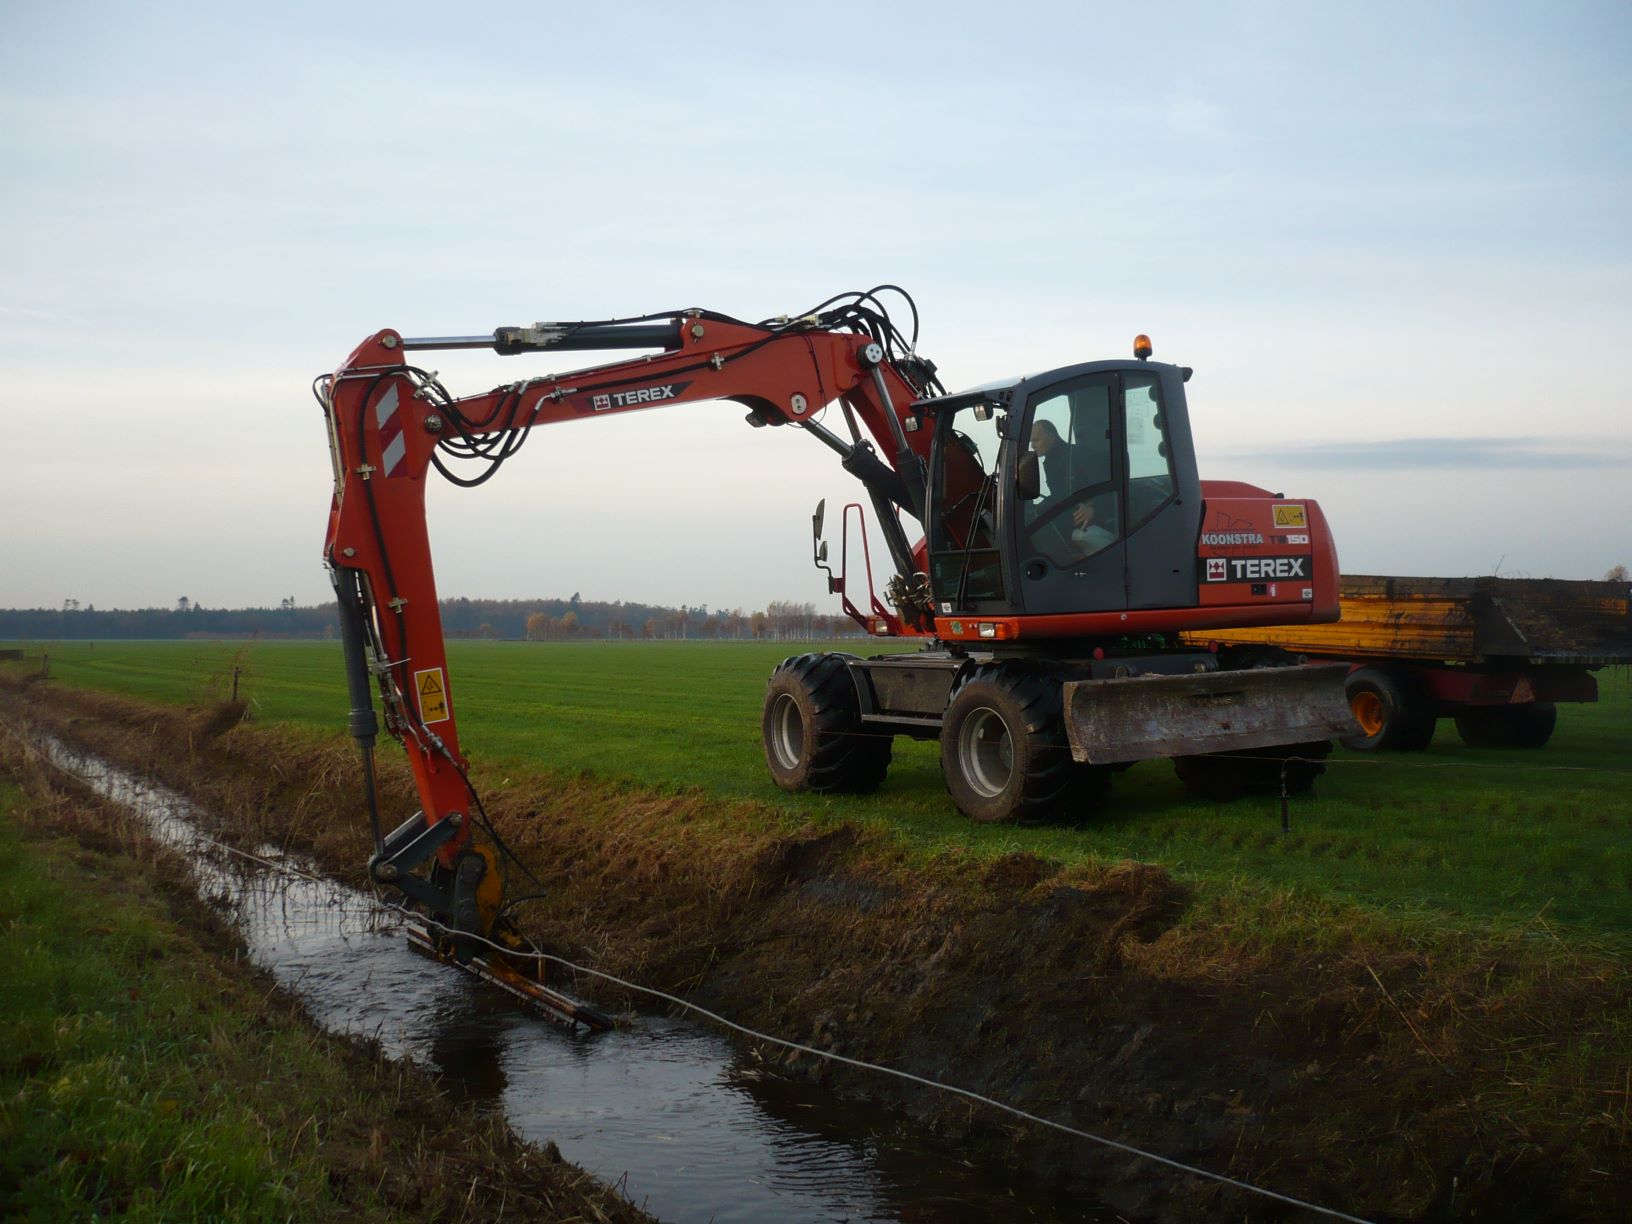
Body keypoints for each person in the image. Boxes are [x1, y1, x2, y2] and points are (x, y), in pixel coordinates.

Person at [1029, 418, 1114, 554]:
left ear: (1051, 438)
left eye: (1036, 440)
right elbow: (1059, 496)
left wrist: (1093, 508)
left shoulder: (1079, 454)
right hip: (1068, 520)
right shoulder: (1049, 463)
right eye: (1031, 441)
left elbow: (1107, 487)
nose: (1032, 446)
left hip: (1098, 520)